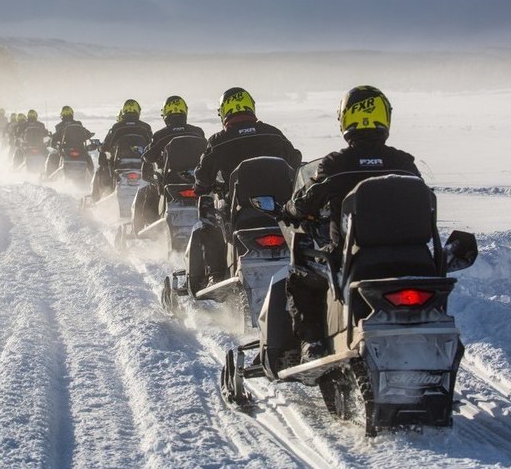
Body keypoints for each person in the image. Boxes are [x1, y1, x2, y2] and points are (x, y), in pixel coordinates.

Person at [282, 85, 421, 362]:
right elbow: (422, 201)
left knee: (301, 276)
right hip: (414, 260)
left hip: (353, 258)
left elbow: (307, 200)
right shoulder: (403, 162)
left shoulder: (336, 164)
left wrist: (289, 209)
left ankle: (314, 343)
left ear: (346, 119)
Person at [188, 87, 302, 289]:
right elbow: (295, 159)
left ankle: (216, 273)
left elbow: (203, 176)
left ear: (224, 112)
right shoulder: (274, 133)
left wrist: (200, 186)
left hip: (239, 211)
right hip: (279, 211)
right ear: (251, 107)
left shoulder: (218, 141)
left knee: (209, 221)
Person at [132, 95, 205, 231]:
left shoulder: (161, 135)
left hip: (171, 181)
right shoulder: (197, 132)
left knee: (146, 191)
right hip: (197, 181)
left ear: (166, 114)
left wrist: (146, 156)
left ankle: (141, 229)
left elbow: (149, 156)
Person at [91, 99, 152, 201]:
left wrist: (101, 148)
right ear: (138, 111)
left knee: (101, 171)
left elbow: (106, 145)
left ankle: (96, 199)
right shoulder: (145, 127)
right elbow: (152, 145)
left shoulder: (117, 127)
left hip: (120, 164)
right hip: (141, 165)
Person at [46, 105, 94, 177]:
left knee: (53, 156)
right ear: (72, 114)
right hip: (80, 149)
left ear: (62, 115)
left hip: (66, 150)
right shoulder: (78, 124)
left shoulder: (59, 126)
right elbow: (87, 133)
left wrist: (52, 141)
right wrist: (90, 135)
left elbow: (56, 136)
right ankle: (92, 179)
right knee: (88, 158)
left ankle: (49, 178)